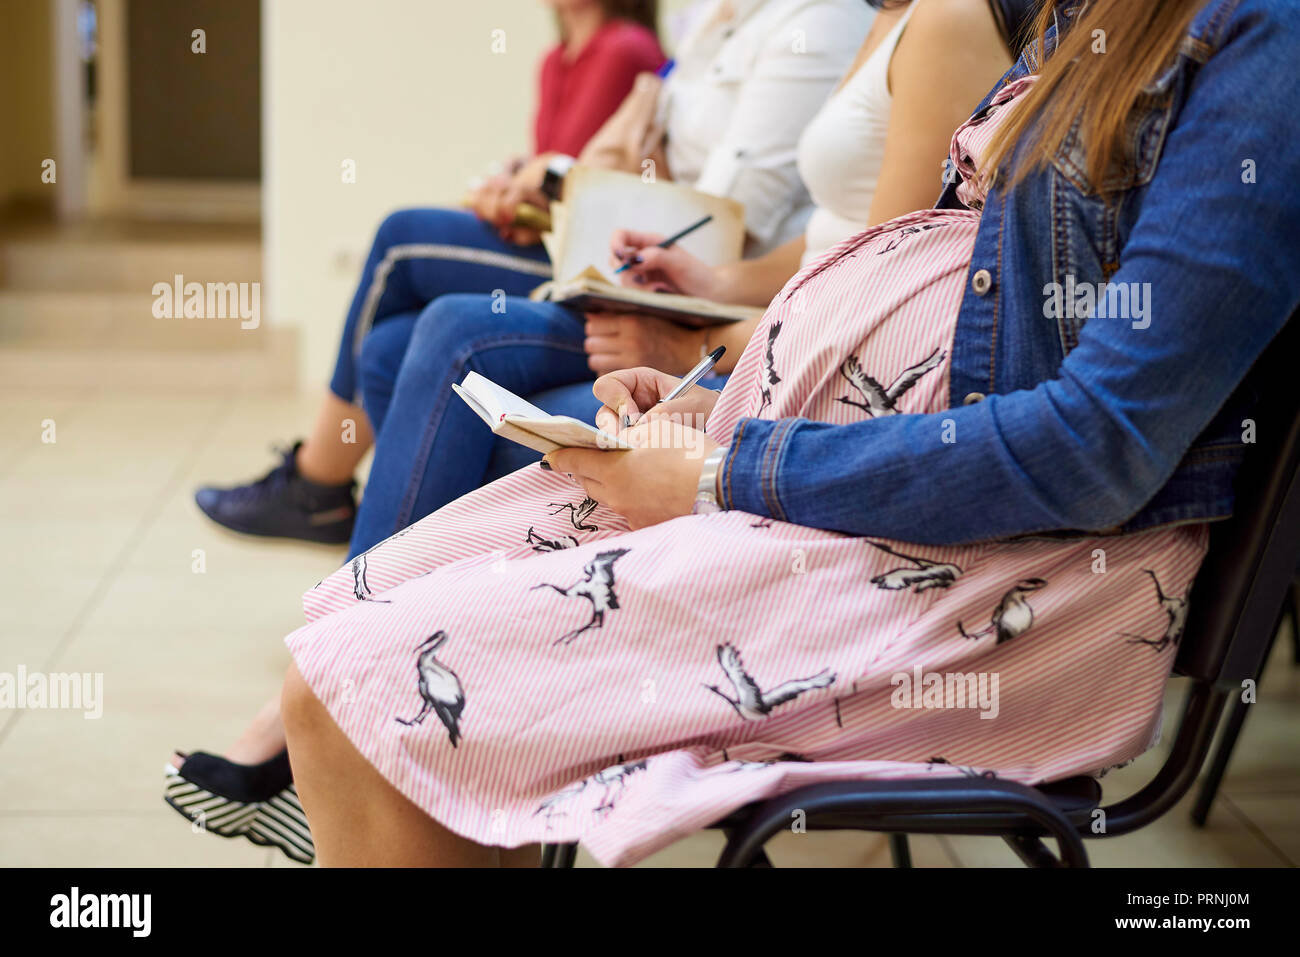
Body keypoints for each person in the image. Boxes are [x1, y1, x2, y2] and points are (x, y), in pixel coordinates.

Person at [170, 0, 1300, 866]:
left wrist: (722, 473)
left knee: (366, 690)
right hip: (844, 484)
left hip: (1002, 574)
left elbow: (1091, 448)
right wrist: (719, 401)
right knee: (334, 654)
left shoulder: (1254, 40)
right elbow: (940, 292)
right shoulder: (1077, 17)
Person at [347, 0, 1035, 555]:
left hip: (805, 359)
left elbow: (872, 295)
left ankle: (350, 645)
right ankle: (377, 631)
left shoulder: (926, 20)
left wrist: (694, 338)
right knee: (391, 351)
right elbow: (828, 234)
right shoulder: (884, 13)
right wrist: (713, 277)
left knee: (449, 326)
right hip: (777, 312)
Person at [192, 0, 869, 546]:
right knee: (392, 345)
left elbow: (718, 212)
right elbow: (621, 162)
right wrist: (551, 182)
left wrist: (554, 185)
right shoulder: (714, 21)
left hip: (676, 284)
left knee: (427, 282)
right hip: (649, 260)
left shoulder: (811, 24)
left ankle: (333, 578)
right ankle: (380, 616)